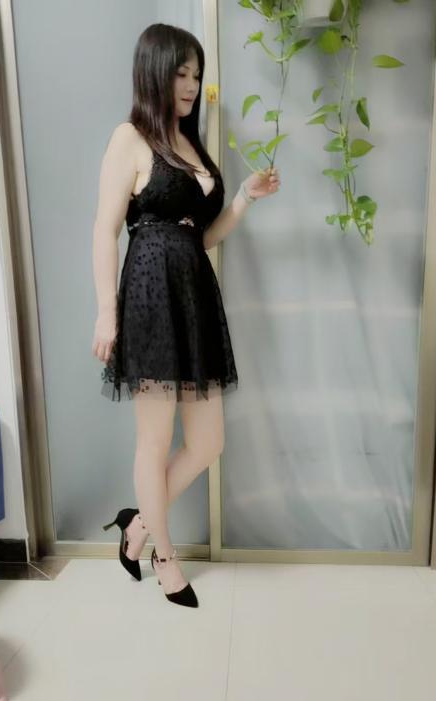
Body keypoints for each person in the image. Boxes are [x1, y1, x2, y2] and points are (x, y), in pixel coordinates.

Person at [92, 23, 281, 608]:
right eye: (181, 72)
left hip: (194, 297)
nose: (192, 85)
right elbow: (103, 229)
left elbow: (202, 237)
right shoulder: (131, 138)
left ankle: (138, 526)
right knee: (154, 441)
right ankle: (164, 556)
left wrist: (244, 198)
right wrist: (106, 313)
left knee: (207, 442)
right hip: (150, 297)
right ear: (154, 71)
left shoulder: (192, 144)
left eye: (197, 74)